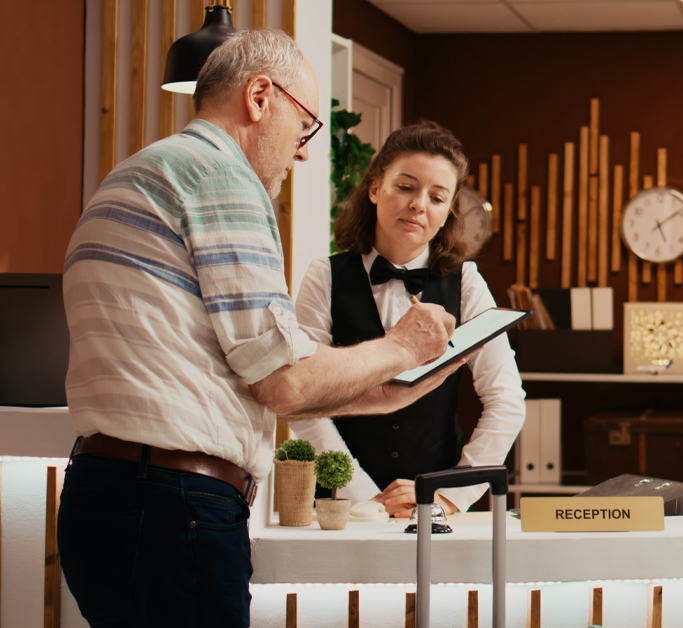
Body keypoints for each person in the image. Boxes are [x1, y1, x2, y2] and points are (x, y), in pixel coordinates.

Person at [58, 30, 460, 628]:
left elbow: (241, 369)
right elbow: (283, 385)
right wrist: (400, 346)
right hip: (173, 506)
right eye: (306, 127)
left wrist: (391, 390)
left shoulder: (142, 171)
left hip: (111, 494)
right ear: (260, 97)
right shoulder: (223, 179)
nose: (303, 152)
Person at [292, 121, 525, 518]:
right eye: (406, 187)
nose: (419, 204)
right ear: (375, 188)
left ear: (447, 212)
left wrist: (449, 494)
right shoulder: (324, 275)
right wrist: (366, 496)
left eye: (437, 197)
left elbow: (507, 400)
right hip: (342, 510)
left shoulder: (466, 282)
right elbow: (303, 398)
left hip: (438, 510)